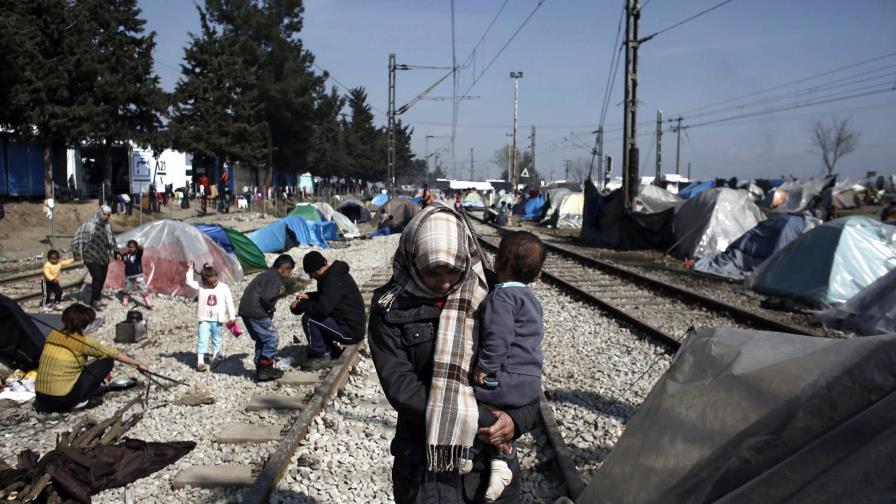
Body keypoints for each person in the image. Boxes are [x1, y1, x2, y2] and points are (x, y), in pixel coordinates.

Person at [368, 203, 540, 503]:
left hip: (489, 462)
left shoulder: (495, 290)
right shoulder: (390, 307)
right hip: (428, 464)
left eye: (454, 269)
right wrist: (481, 417)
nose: (446, 282)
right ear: (413, 259)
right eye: (434, 272)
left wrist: (517, 420)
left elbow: (525, 362)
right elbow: (401, 386)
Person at [464, 231, 546, 501]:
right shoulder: (531, 300)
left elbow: (499, 339)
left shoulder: (501, 298)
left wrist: (485, 367)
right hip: (529, 382)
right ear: (535, 275)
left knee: (467, 394)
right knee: (499, 411)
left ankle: (496, 456)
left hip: (504, 380)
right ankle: (501, 460)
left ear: (497, 262)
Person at [35, 304, 148, 412]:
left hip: (41, 398)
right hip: (62, 400)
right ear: (84, 323)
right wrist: (137, 363)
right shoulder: (82, 341)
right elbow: (112, 353)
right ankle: (81, 402)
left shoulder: (53, 334)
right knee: (107, 362)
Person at [289, 251, 366, 371]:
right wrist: (309, 296)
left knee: (309, 319)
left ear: (317, 270)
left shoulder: (332, 280)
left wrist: (301, 305)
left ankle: (322, 355)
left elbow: (322, 309)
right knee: (315, 316)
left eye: (311, 274)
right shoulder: (334, 274)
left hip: (350, 332)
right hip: (352, 325)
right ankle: (330, 349)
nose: (310, 277)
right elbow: (327, 297)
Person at [238, 254, 296, 381]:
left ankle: (260, 368)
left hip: (246, 311)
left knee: (262, 339)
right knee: (271, 338)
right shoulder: (276, 278)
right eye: (289, 272)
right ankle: (266, 368)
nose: (289, 275)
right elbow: (267, 297)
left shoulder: (266, 274)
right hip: (257, 312)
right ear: (284, 269)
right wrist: (271, 308)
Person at [185, 262, 236, 372]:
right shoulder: (201, 285)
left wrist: (232, 316)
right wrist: (190, 270)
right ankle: (200, 361)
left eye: (214, 282)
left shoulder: (224, 287)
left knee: (216, 338)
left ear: (217, 277)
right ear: (204, 282)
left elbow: (229, 303)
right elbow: (189, 282)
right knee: (202, 339)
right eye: (210, 284)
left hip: (218, 319)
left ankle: (215, 357)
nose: (213, 285)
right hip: (204, 318)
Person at [72, 206, 119, 309]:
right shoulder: (89, 224)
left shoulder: (107, 226)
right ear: (100, 212)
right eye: (104, 214)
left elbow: (112, 240)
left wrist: (116, 253)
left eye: (108, 215)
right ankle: (93, 301)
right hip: (90, 255)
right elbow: (77, 236)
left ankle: (96, 299)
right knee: (97, 276)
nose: (106, 217)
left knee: (101, 278)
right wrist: (76, 253)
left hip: (103, 256)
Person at [119, 240, 153, 309]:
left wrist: (141, 248)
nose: (131, 249)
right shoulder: (125, 255)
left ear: (136, 248)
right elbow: (120, 257)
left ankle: (147, 301)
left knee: (142, 287)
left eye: (133, 247)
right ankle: (125, 299)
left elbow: (141, 251)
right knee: (127, 288)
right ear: (127, 247)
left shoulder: (137, 254)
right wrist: (118, 256)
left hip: (138, 275)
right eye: (129, 247)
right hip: (129, 275)